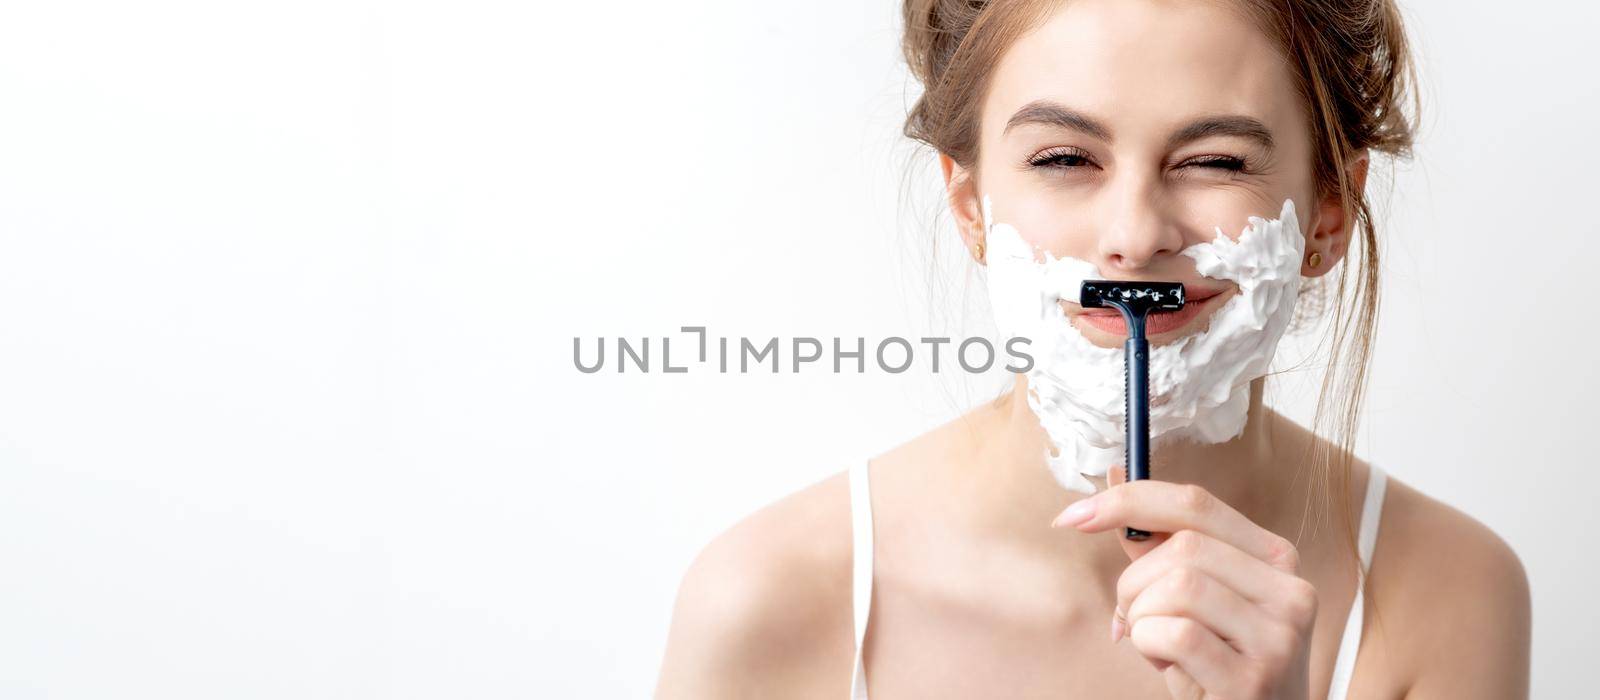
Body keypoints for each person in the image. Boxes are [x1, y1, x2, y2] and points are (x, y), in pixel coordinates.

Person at [656, 0, 1531, 697]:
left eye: (1216, 161)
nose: (1133, 236)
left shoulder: (1450, 595)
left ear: (1329, 212)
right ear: (971, 206)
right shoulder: (767, 601)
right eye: (1066, 157)